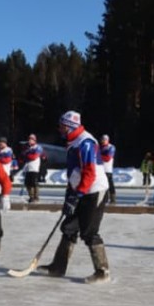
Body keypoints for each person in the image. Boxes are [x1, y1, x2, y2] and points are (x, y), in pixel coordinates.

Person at [38, 110, 111, 284]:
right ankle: (58, 267)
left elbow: (89, 173)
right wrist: (69, 196)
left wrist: (77, 195)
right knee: (69, 227)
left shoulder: (85, 142)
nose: (60, 129)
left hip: (94, 191)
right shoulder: (73, 141)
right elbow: (75, 173)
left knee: (89, 231)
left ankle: (103, 271)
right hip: (81, 190)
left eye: (62, 125)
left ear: (70, 126)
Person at [22, 133, 44, 202]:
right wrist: (27, 155)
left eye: (31, 139)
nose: (29, 141)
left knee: (34, 182)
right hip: (28, 167)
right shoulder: (27, 148)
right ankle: (31, 197)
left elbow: (34, 156)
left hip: (34, 167)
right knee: (27, 183)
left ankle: (36, 197)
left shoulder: (38, 147)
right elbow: (23, 156)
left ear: (34, 140)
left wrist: (27, 155)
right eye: (29, 139)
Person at [100, 134, 117, 204]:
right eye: (102, 140)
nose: (103, 141)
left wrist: (98, 156)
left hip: (107, 169)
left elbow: (107, 158)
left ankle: (113, 199)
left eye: (104, 140)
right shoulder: (100, 147)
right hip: (100, 169)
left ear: (107, 140)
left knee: (110, 184)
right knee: (102, 185)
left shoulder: (111, 147)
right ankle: (104, 199)